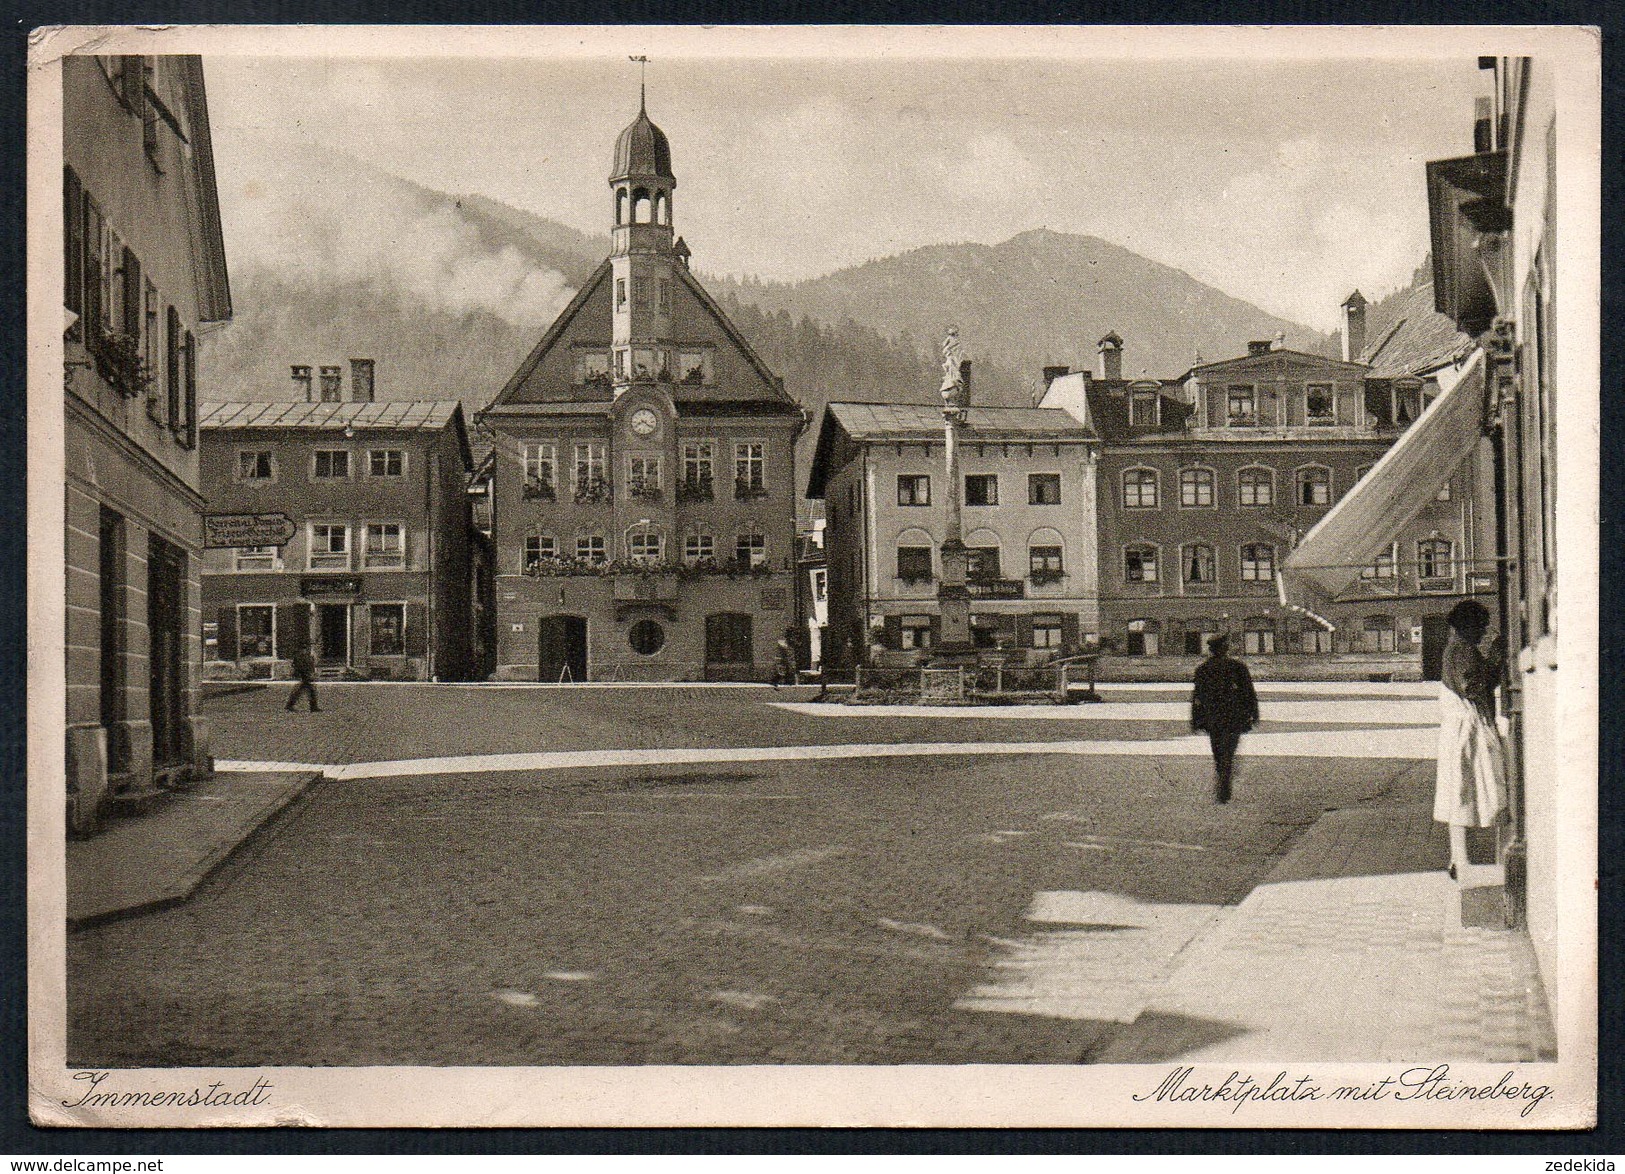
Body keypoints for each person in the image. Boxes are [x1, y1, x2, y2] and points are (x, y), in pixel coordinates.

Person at [1434, 599, 1507, 880]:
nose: (1483, 631)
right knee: (1468, 790)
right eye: (1481, 625)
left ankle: (1458, 858)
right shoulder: (1462, 650)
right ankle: (1461, 860)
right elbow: (1475, 686)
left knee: (1460, 791)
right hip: (1467, 730)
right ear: (1467, 625)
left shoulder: (1459, 648)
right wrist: (1497, 658)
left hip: (1460, 729)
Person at [1190, 634, 1259, 803]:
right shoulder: (1238, 667)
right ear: (1225, 648)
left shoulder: (1203, 669)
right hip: (1234, 716)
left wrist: (1195, 719)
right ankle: (1225, 779)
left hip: (1213, 718)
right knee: (1229, 749)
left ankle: (1223, 775)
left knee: (1218, 751)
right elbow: (1249, 693)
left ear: (1211, 649)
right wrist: (1254, 713)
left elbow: (1197, 697)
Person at [286, 643, 320, 713]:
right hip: (304, 675)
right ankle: (313, 707)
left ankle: (290, 705)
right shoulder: (299, 657)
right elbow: (300, 667)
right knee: (308, 691)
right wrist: (306, 674)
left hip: (305, 675)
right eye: (304, 649)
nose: (305, 650)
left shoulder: (306, 656)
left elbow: (310, 665)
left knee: (304, 690)